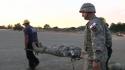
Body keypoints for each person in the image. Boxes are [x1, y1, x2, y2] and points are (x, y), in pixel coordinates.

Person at [79, 3, 112, 70]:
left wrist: (96, 60)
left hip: (94, 57)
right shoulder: (98, 21)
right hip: (98, 55)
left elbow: (98, 41)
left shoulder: (94, 23)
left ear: (87, 11)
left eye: (82, 12)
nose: (82, 15)